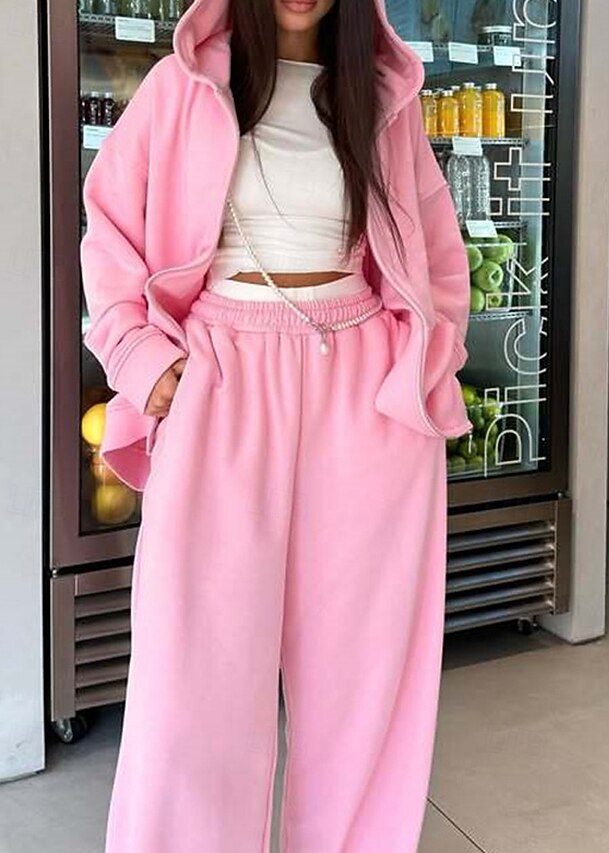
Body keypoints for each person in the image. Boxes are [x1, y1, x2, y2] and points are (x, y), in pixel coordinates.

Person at [80, 0, 473, 850]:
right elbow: (108, 232)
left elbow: (438, 253)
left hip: (361, 385)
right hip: (221, 377)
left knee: (363, 679)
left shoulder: (382, 98)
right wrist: (142, 358)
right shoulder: (182, 86)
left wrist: (421, 367)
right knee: (193, 681)